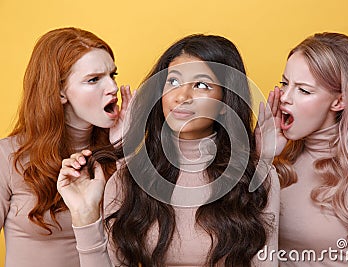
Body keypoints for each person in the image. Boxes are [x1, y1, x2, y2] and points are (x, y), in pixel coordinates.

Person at [57, 34, 279, 267]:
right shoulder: (128, 177)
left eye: (201, 85)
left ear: (226, 103)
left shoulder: (257, 178)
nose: (181, 97)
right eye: (173, 81)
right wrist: (85, 216)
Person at [0, 27, 132, 267]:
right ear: (59, 91)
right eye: (94, 79)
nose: (112, 88)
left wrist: (124, 149)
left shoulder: (123, 153)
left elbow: (135, 246)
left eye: (112, 75)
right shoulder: (7, 156)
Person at [266, 32, 348, 266]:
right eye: (285, 84)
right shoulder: (275, 162)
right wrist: (262, 157)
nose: (285, 98)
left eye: (304, 90)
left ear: (339, 101)